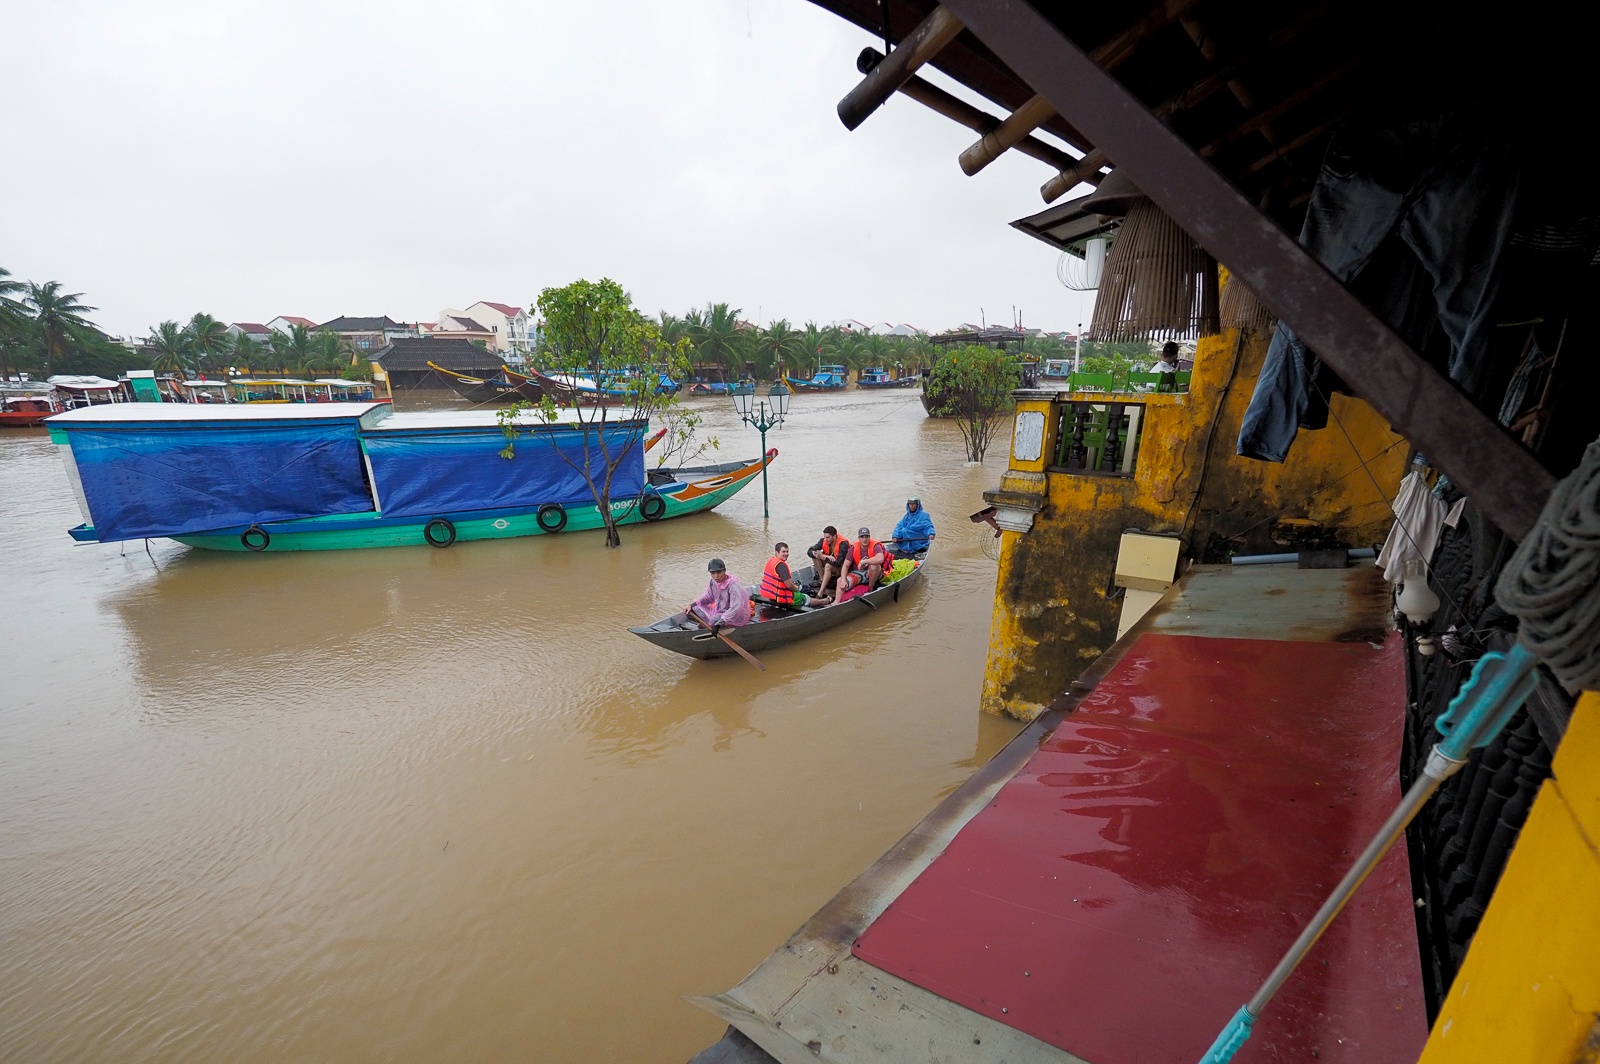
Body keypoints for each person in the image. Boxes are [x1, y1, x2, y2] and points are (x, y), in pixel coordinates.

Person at [685, 557, 750, 631]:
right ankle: (710, 624)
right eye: (713, 573)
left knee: (715, 622)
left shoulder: (733, 586)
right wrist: (692, 605)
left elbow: (735, 608)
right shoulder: (713, 582)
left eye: (719, 572)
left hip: (735, 614)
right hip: (720, 612)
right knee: (691, 610)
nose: (716, 576)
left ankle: (716, 625)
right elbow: (709, 596)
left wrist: (720, 623)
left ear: (724, 571)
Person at [758, 542, 828, 609]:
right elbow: (789, 585)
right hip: (781, 597)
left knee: (801, 588)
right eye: (783, 552)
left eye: (787, 551)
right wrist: (796, 590)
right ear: (777, 552)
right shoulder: (781, 566)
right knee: (804, 597)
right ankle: (823, 601)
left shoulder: (772, 561)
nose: (786, 554)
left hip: (770, 594)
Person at [837, 527, 890, 597]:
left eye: (866, 537)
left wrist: (863, 562)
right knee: (840, 580)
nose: (864, 539)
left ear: (869, 537)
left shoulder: (875, 546)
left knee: (873, 566)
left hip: (875, 573)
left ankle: (870, 588)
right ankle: (836, 602)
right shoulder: (853, 548)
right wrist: (843, 580)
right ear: (859, 538)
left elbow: (880, 559)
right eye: (862, 537)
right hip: (860, 574)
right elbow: (845, 566)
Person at [807, 525, 850, 599]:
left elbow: (838, 563)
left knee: (828, 566)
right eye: (825, 537)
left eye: (828, 537)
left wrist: (823, 557)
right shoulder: (823, 541)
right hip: (830, 564)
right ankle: (822, 579)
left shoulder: (843, 544)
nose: (826, 539)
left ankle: (820, 593)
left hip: (840, 569)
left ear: (834, 536)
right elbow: (809, 551)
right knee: (815, 557)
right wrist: (823, 556)